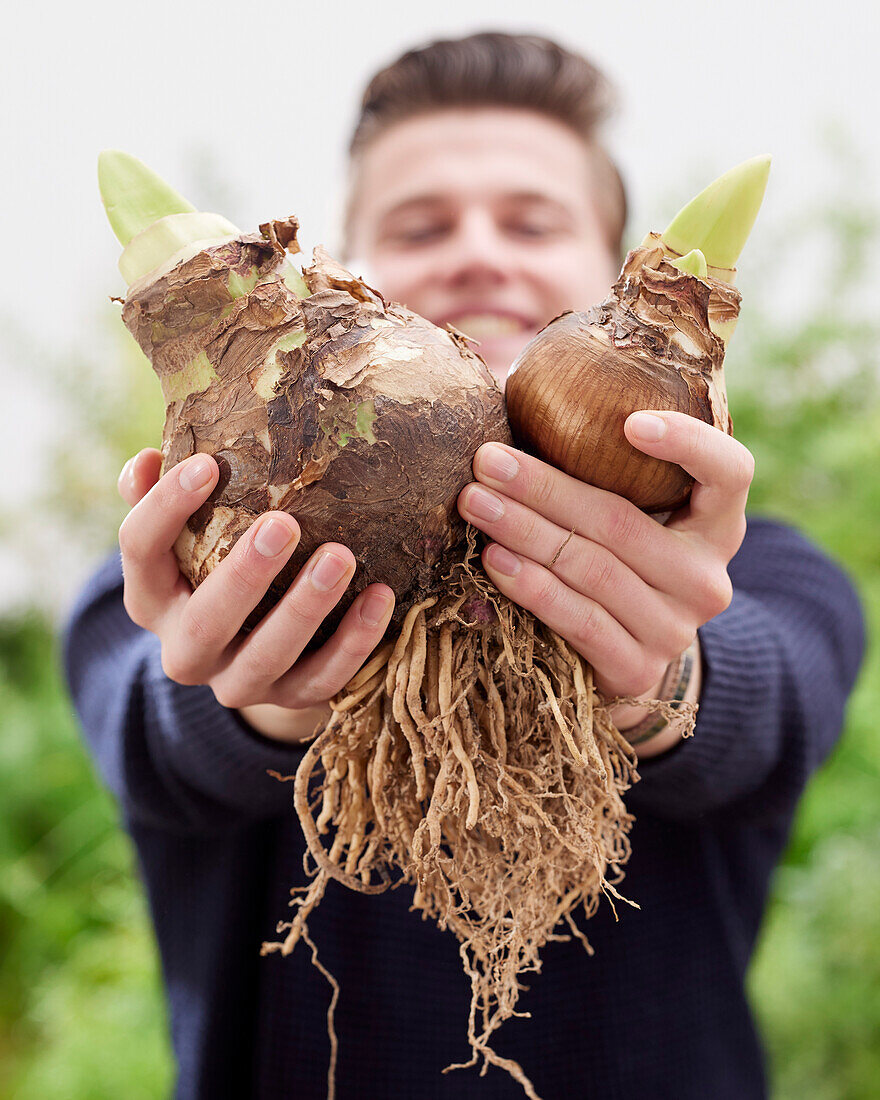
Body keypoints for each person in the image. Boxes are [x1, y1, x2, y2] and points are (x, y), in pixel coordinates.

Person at [64, 31, 865, 1100]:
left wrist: (662, 678)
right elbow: (142, 723)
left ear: (609, 282)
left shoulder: (762, 570)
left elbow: (774, 710)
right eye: (421, 224)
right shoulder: (164, 566)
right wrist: (242, 692)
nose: (479, 252)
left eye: (532, 221)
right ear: (341, 275)